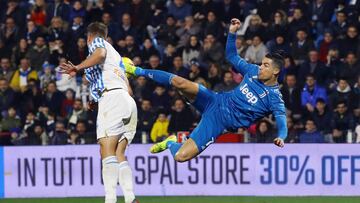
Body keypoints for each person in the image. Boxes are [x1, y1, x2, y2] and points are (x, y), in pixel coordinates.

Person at [123, 18, 287, 163]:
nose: (260, 67)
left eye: (265, 65)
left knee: (181, 156)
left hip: (219, 122)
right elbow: (231, 56)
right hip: (214, 100)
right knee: (180, 82)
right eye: (262, 63)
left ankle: (171, 142)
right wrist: (231, 33)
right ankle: (136, 71)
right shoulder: (252, 71)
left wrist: (281, 136)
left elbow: (282, 123)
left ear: (275, 71)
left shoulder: (274, 98)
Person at [60, 22, 138, 203]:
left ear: (89, 37)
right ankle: (130, 197)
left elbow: (99, 54)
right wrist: (96, 100)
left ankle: (110, 199)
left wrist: (77, 67)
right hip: (127, 102)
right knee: (119, 152)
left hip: (111, 100)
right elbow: (129, 91)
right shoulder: (117, 58)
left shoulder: (97, 43)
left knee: (106, 150)